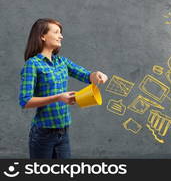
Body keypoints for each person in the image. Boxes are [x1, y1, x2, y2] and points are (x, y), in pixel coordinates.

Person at [19, 18, 108, 159]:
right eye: (56, 32)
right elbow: (25, 101)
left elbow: (86, 76)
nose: (61, 36)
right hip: (43, 134)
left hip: (63, 132)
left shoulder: (62, 62)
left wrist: (97, 75)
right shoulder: (33, 64)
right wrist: (58, 97)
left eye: (60, 32)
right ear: (42, 36)